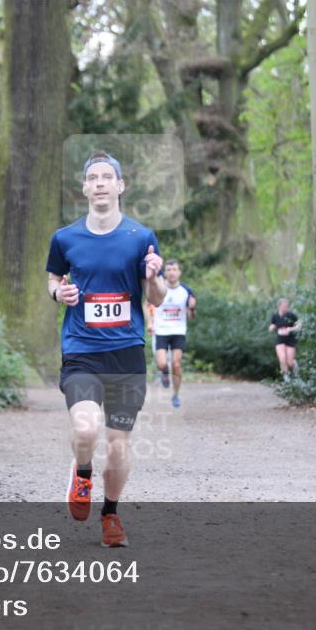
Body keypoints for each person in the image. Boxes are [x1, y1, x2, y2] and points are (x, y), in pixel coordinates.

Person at [46, 151, 166, 547]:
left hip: (126, 353)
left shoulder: (141, 237)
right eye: (92, 177)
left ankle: (111, 516)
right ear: (84, 188)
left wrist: (153, 278)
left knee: (117, 444)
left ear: (119, 186)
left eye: (106, 177)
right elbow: (52, 280)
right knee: (86, 428)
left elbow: (158, 296)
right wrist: (58, 292)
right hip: (81, 350)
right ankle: (82, 473)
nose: (99, 183)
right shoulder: (65, 239)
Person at [145, 259, 196, 408]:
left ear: (179, 272)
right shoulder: (159, 287)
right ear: (164, 272)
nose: (172, 272)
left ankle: (176, 395)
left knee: (176, 363)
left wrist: (192, 309)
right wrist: (150, 322)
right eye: (168, 270)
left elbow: (192, 316)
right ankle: (164, 372)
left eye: (174, 269)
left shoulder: (186, 291)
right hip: (161, 330)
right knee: (161, 364)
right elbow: (148, 305)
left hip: (178, 331)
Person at [269, 298, 300, 381]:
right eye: (283, 306)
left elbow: (299, 326)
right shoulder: (275, 316)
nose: (285, 308)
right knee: (282, 359)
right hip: (280, 340)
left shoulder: (291, 316)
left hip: (290, 340)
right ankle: (286, 378)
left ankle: (294, 364)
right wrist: (272, 328)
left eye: (286, 306)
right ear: (279, 306)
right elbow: (271, 328)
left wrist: (290, 329)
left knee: (289, 362)